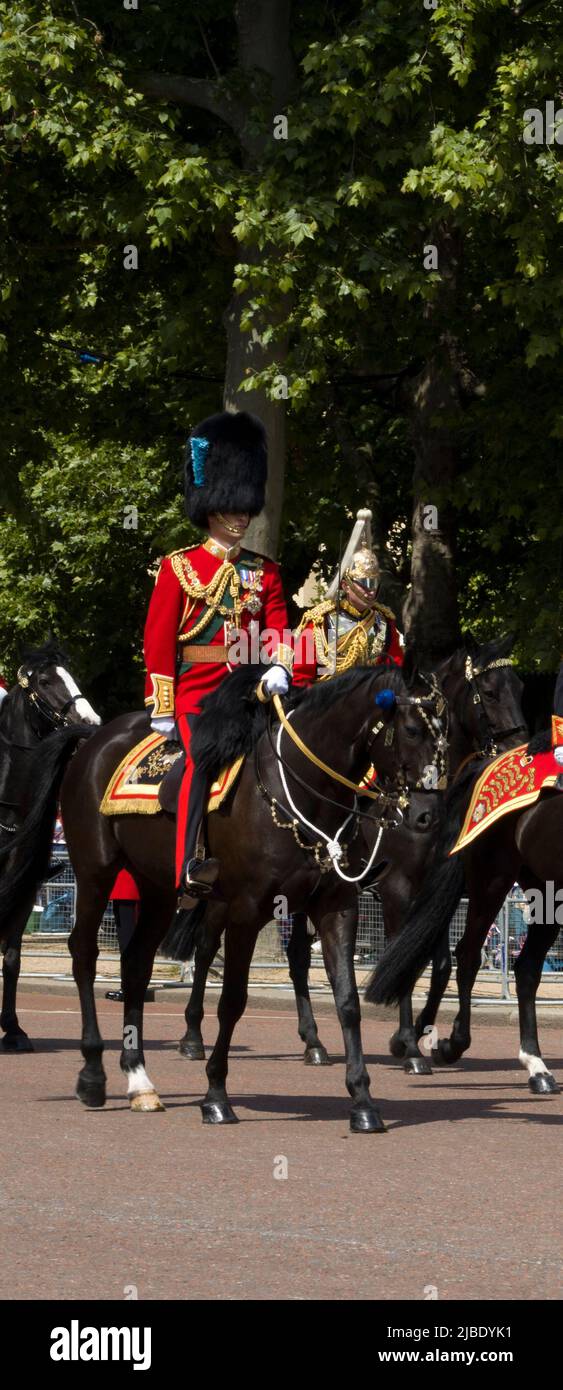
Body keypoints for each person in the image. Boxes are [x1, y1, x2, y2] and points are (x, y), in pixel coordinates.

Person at [143, 409, 293, 899]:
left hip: (251, 692)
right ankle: (187, 866)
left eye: (246, 508)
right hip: (197, 694)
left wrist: (278, 668)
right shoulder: (179, 567)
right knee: (201, 762)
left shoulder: (264, 572)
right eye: (234, 508)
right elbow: (159, 641)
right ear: (212, 507)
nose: (242, 517)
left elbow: (278, 631)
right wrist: (162, 706)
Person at [292, 542, 403, 687]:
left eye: (374, 584)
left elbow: (395, 669)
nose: (370, 590)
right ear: (345, 586)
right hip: (328, 701)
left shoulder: (384, 621)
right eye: (364, 583)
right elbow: (301, 678)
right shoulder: (320, 620)